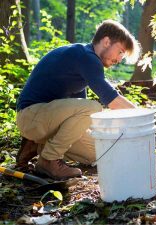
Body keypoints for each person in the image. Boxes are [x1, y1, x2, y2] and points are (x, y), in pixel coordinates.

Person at [16, 20, 141, 180]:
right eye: (120, 52)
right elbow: (111, 99)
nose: (119, 59)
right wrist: (142, 116)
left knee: (99, 152)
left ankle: (36, 145)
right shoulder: (86, 57)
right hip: (31, 116)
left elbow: (79, 118)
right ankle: (49, 160)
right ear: (106, 41)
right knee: (94, 108)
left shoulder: (82, 64)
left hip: (44, 122)